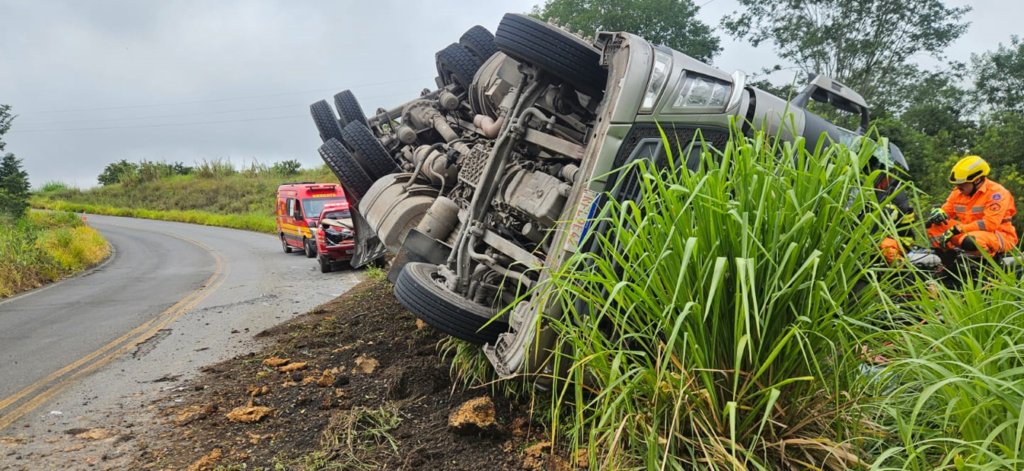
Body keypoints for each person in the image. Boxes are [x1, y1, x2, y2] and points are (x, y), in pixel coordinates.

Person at [925, 155, 1018, 258]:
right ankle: (948, 262)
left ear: (977, 180)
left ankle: (990, 262)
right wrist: (938, 212)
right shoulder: (958, 192)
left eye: (962, 183)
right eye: (956, 184)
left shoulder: (997, 194)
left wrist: (957, 229)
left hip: (998, 235)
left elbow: (989, 224)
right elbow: (946, 214)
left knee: (970, 241)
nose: (958, 187)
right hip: (967, 232)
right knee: (934, 224)